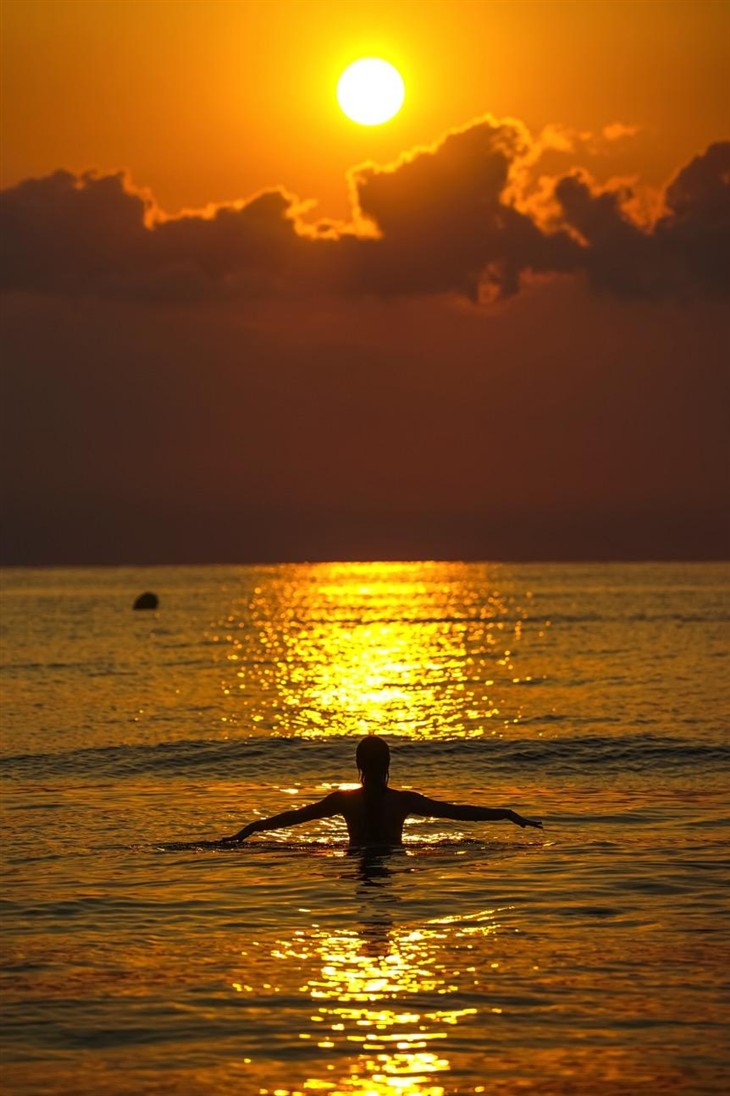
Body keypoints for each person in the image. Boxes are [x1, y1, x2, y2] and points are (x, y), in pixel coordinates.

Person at [222, 735, 542, 848]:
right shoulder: (404, 801)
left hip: (355, 858)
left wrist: (252, 829)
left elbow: (294, 818)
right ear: (388, 763)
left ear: (358, 763)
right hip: (393, 857)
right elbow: (457, 812)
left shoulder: (344, 801)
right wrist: (505, 814)